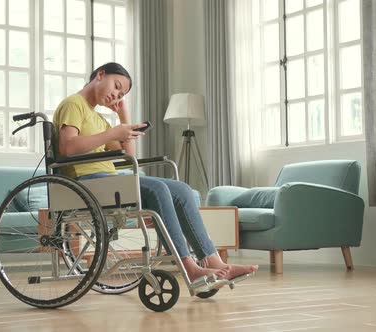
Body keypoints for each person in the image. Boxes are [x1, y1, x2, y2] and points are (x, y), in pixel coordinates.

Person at [53, 62, 258, 282]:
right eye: (116, 86)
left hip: (106, 180)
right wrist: (113, 132)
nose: (116, 95)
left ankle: (214, 262)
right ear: (100, 75)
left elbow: (128, 158)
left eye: (121, 94)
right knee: (158, 188)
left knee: (182, 189)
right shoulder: (74, 104)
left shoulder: (98, 118)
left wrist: (124, 118)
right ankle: (188, 266)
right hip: (85, 182)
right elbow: (68, 148)